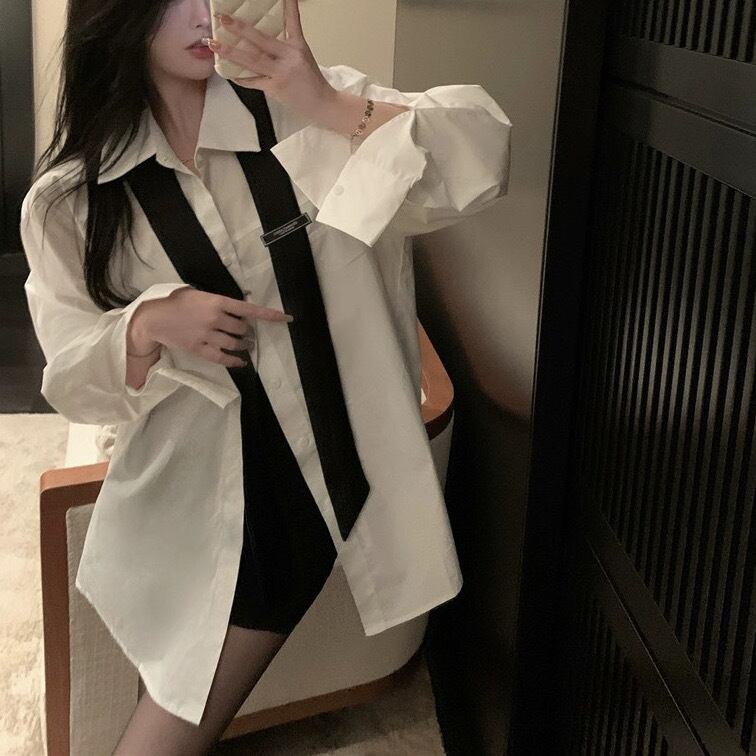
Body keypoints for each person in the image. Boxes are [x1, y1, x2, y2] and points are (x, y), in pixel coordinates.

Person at [20, 0, 512, 752]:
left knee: (180, 704)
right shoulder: (72, 198)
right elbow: (72, 380)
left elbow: (485, 154)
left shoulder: (302, 111)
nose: (204, 14)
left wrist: (329, 105)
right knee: (178, 667)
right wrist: (146, 325)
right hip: (187, 474)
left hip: (307, 484)